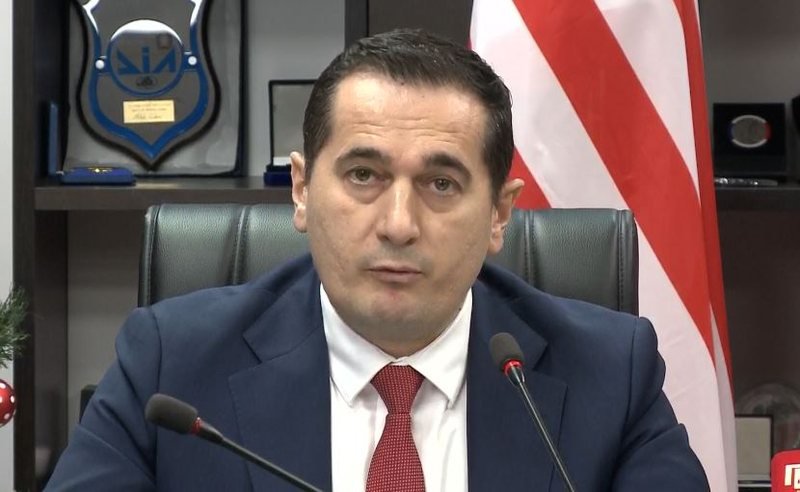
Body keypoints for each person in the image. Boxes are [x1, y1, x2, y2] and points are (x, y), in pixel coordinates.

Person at [45, 29, 709, 491]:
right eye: (363, 175)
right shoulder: (171, 367)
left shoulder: (610, 376)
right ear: (301, 190)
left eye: (441, 184)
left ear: (499, 214)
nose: (398, 225)